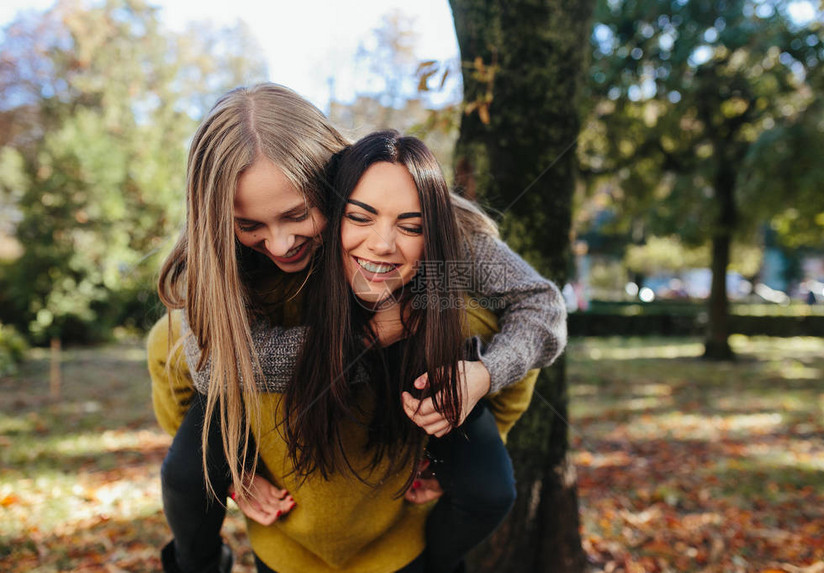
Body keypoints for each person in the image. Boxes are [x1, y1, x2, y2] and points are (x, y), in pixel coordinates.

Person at [148, 84, 567, 572]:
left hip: (393, 474)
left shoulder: (411, 224)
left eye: (297, 214)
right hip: (279, 463)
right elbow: (215, 368)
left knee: (487, 488)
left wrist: (485, 373)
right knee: (184, 475)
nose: (281, 244)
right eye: (250, 226)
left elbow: (537, 305)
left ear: (333, 178)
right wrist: (368, 335)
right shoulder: (215, 263)